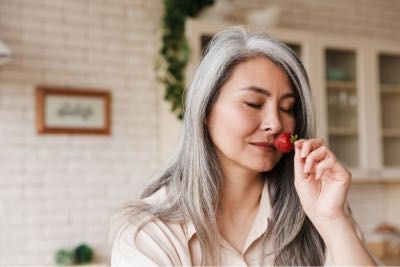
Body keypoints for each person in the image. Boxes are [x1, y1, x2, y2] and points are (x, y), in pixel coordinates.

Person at [110, 27, 377, 266]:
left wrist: (332, 220)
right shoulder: (148, 230)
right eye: (253, 103)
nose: (276, 123)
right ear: (205, 110)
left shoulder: (319, 214)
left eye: (287, 108)